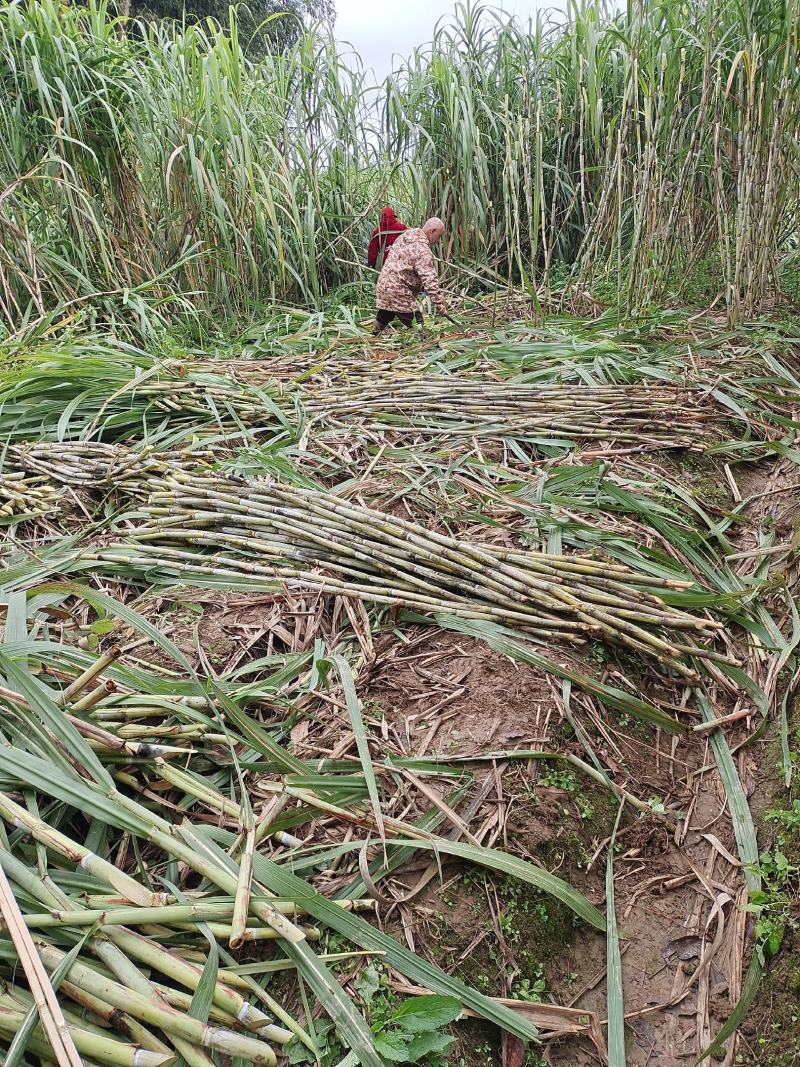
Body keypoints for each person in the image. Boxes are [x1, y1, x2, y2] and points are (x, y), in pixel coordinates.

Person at [373, 217, 447, 335]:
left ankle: (371, 337)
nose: (438, 241)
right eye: (439, 236)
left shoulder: (406, 235)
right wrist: (439, 303)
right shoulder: (422, 249)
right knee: (417, 323)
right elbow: (429, 279)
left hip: (384, 286)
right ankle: (421, 346)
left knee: (385, 315)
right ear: (432, 231)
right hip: (399, 292)